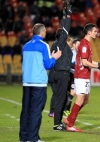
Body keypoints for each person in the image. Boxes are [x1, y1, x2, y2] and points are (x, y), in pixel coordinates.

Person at [63, 23, 100, 132]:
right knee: (80, 99)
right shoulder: (84, 44)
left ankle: (69, 119)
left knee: (86, 100)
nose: (96, 33)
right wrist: (99, 67)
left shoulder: (87, 44)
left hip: (85, 75)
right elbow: (84, 62)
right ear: (89, 32)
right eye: (95, 31)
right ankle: (70, 125)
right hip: (81, 75)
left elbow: (88, 61)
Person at [19, 23, 61, 142]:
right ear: (42, 32)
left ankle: (24, 138)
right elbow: (48, 65)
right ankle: (33, 139)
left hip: (27, 82)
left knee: (26, 110)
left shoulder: (26, 46)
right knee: (36, 111)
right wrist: (55, 57)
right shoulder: (44, 45)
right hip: (39, 82)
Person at [48, 3, 73, 131]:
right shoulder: (61, 43)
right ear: (62, 36)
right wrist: (68, 15)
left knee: (59, 98)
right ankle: (57, 124)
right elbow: (65, 29)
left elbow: (62, 29)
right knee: (61, 99)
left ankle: (57, 123)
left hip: (58, 72)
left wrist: (63, 15)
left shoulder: (56, 44)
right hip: (62, 73)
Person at [63, 38, 80, 116]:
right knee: (72, 92)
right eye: (78, 44)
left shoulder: (76, 52)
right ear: (73, 44)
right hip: (70, 74)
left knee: (71, 92)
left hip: (73, 74)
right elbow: (71, 64)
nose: (79, 46)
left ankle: (66, 109)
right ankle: (66, 109)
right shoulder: (72, 52)